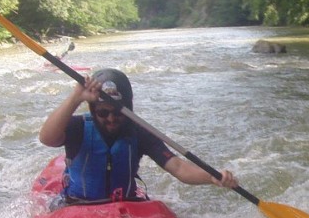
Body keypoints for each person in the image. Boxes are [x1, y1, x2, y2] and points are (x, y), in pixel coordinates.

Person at [38, 67, 238, 203]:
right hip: (78, 204)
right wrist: (75, 98)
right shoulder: (78, 128)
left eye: (117, 112)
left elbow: (178, 167)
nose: (110, 118)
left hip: (126, 206)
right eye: (102, 112)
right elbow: (46, 138)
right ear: (92, 110)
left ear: (128, 108)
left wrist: (212, 176)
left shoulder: (139, 133)